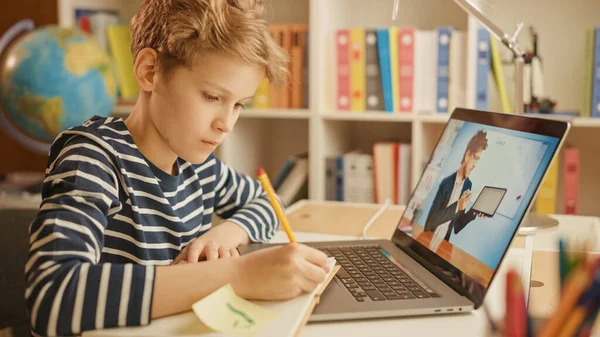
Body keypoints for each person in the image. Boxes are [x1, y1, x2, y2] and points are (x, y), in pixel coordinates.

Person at [25, 1, 330, 336]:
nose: (226, 124)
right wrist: (240, 274)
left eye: (239, 104)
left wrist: (229, 231)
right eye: (213, 97)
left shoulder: (198, 167)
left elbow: (270, 202)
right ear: (149, 72)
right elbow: (53, 294)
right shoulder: (94, 156)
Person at [424, 130, 489, 251]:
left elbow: (457, 226)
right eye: (475, 158)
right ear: (468, 155)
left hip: (442, 249)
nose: (475, 164)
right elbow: (430, 223)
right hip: (427, 243)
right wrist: (458, 205)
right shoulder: (446, 183)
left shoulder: (468, 185)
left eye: (478, 160)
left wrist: (474, 211)